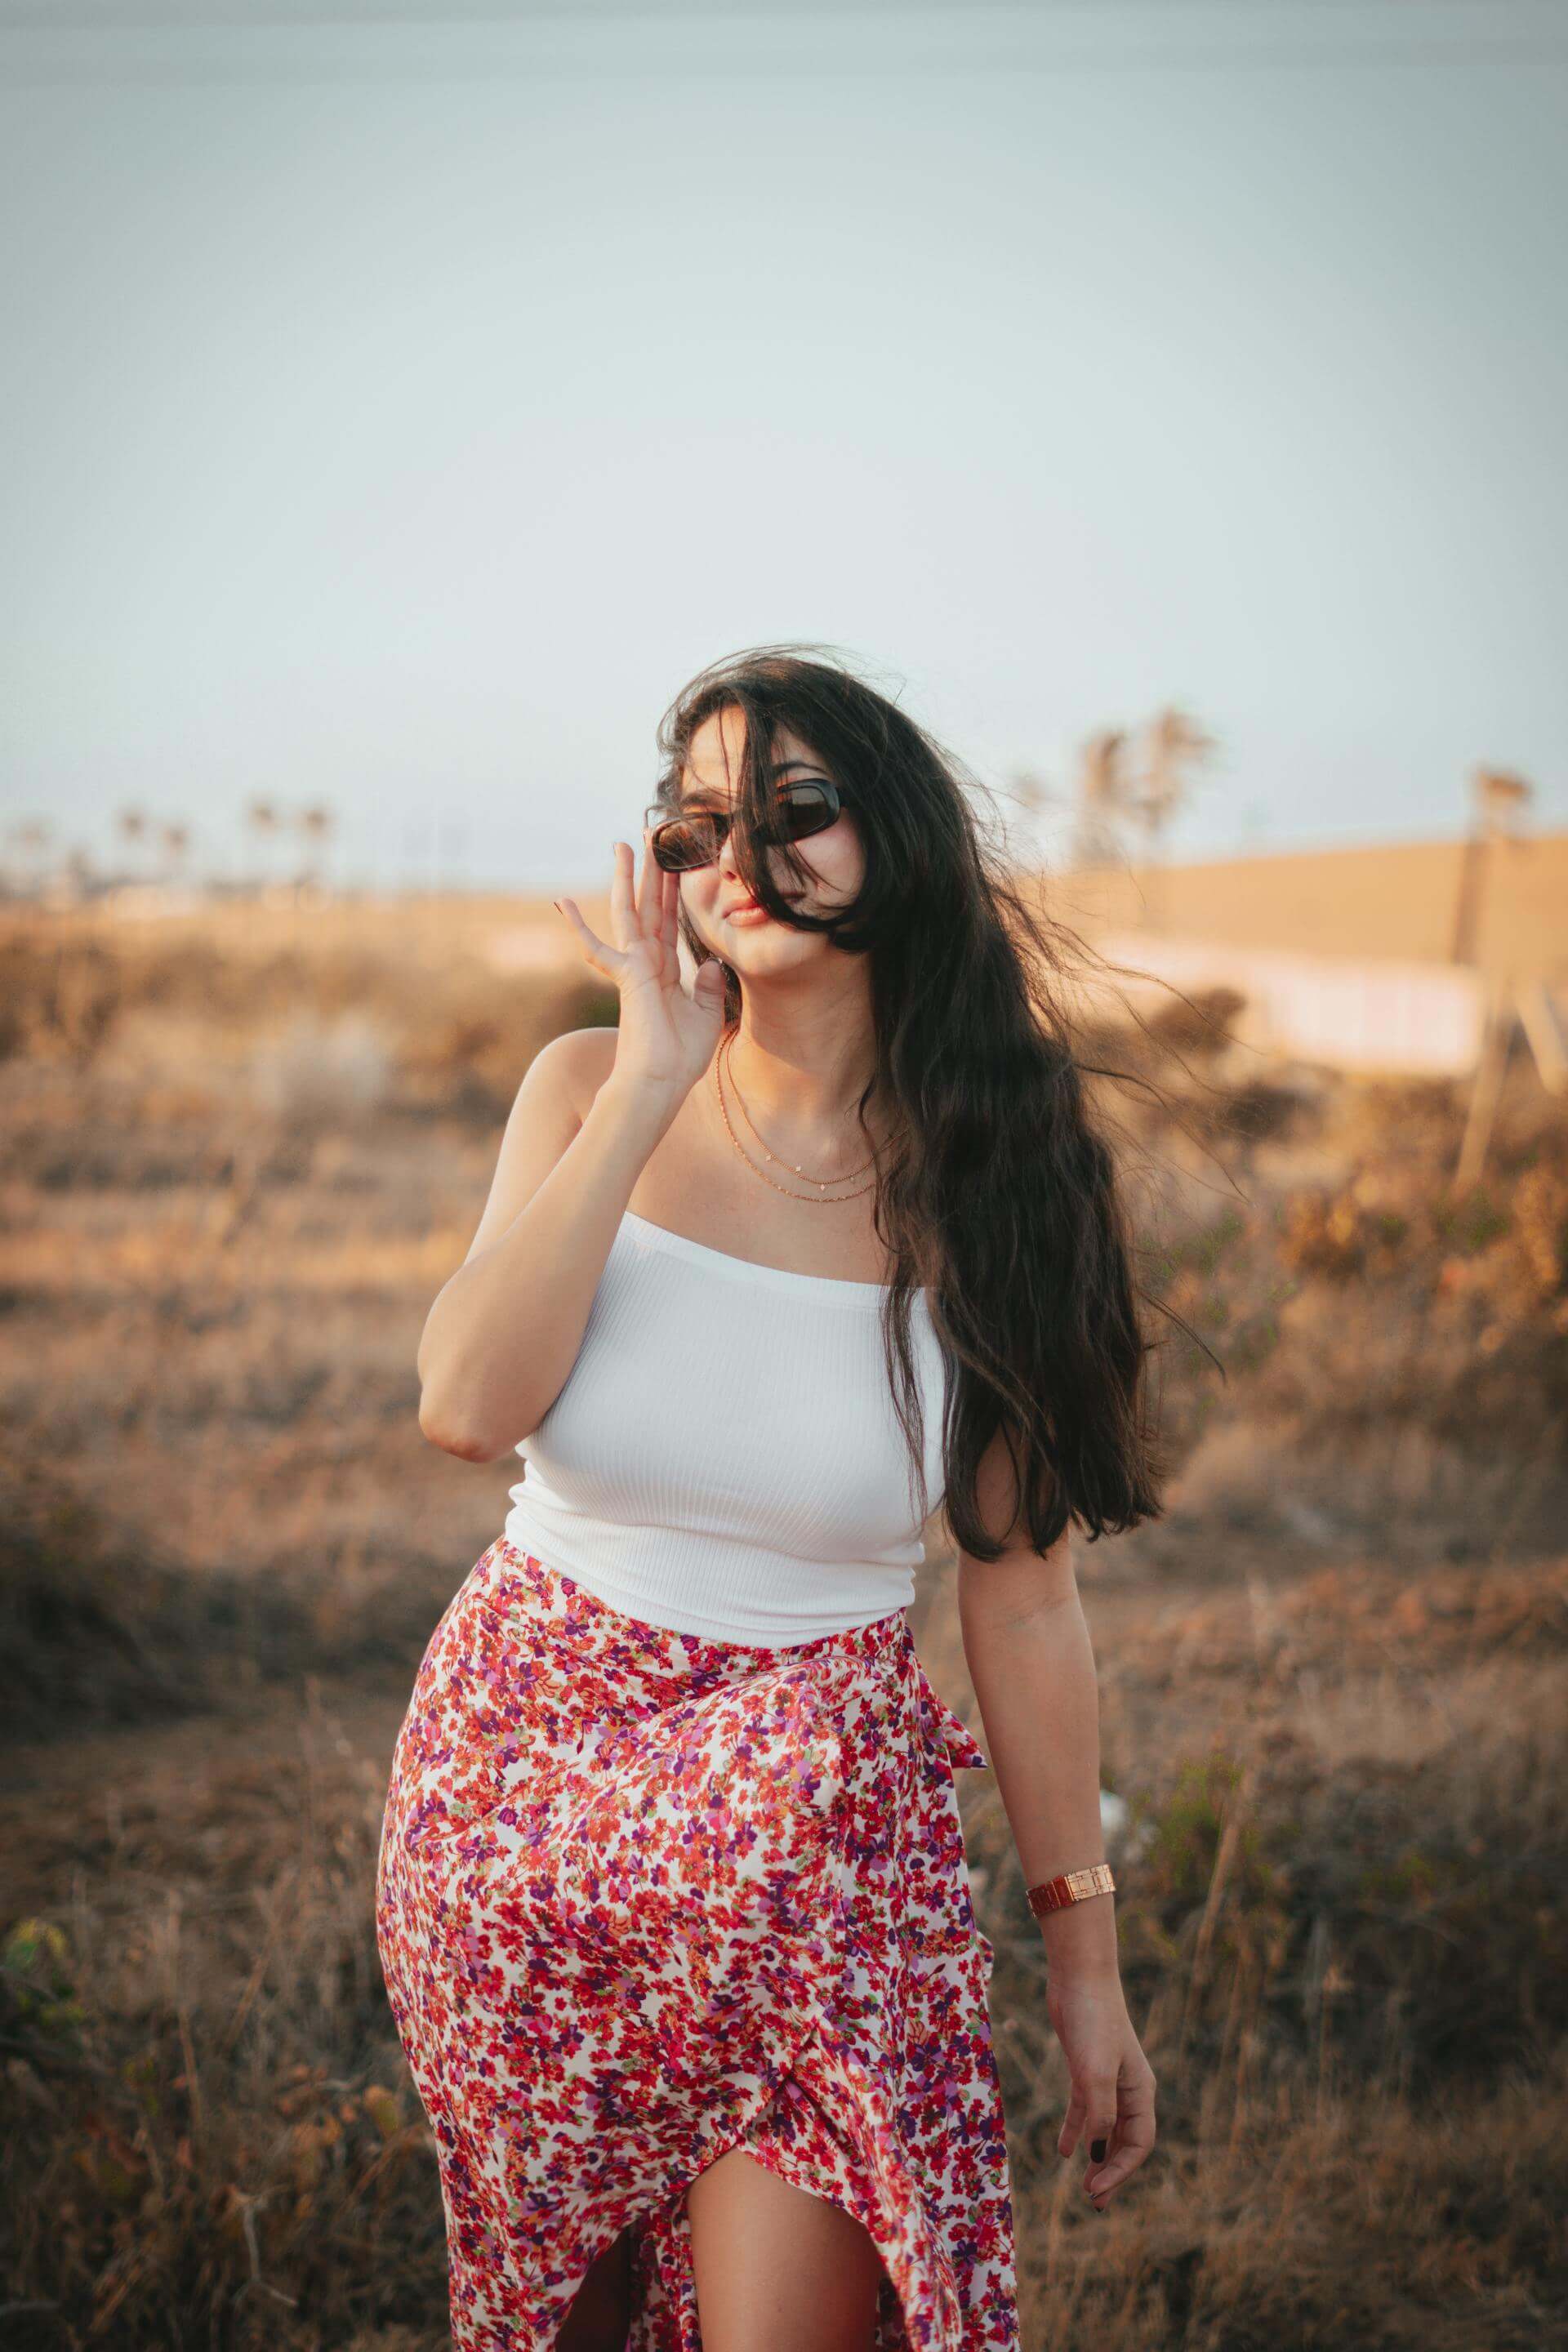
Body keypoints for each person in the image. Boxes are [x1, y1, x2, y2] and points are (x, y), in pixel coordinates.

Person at [376, 644, 1163, 2352]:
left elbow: (1019, 1595)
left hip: (814, 1871)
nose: (741, 859)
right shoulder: (588, 1091)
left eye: (798, 812)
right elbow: (462, 1405)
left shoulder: (1009, 1178)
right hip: (525, 1808)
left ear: (902, 839)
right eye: (697, 826)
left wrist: (1084, 1969)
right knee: (549, 2325)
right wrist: (656, 1070)